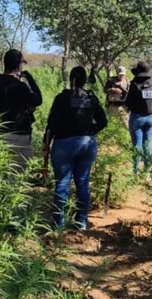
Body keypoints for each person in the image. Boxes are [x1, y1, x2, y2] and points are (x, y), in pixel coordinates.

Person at [43, 66, 107, 230]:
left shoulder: (61, 98)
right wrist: (90, 132)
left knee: (62, 184)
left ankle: (58, 224)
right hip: (87, 144)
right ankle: (81, 222)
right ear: (86, 81)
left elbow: (51, 124)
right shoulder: (91, 98)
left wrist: (46, 143)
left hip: (63, 144)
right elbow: (103, 121)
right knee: (83, 183)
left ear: (70, 79)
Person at [0, 49, 43, 170]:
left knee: (7, 172)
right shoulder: (19, 86)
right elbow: (38, 100)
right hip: (19, 134)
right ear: (19, 64)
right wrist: (31, 80)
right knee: (19, 175)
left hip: (1, 132)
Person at [124, 61, 152, 178]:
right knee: (147, 145)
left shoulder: (134, 85)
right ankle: (147, 172)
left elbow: (128, 102)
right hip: (151, 118)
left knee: (137, 146)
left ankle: (135, 172)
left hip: (136, 118)